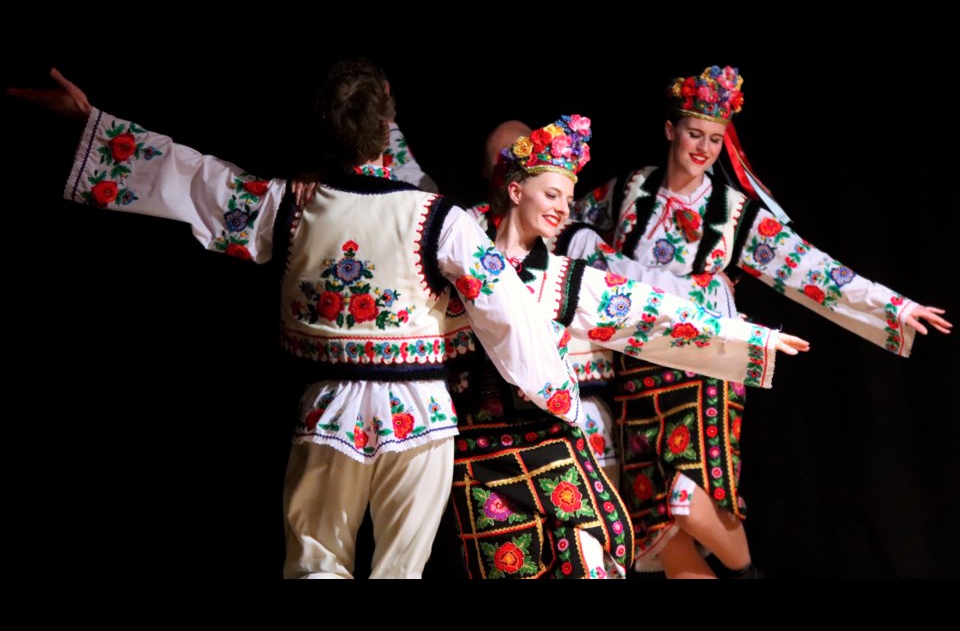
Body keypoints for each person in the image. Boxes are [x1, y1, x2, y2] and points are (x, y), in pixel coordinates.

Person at [7, 62, 591, 579]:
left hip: (329, 412)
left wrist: (86, 123)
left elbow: (192, 180)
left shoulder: (287, 204)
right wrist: (560, 396)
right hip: (419, 417)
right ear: (385, 127)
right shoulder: (439, 219)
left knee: (316, 566)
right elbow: (507, 314)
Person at [562, 65, 952, 578]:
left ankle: (750, 573)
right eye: (694, 134)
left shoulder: (732, 211)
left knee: (685, 501)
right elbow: (561, 221)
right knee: (661, 533)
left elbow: (806, 266)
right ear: (669, 131)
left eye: (715, 140)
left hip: (703, 364)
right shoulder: (633, 187)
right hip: (637, 371)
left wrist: (893, 306)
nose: (703, 148)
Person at [446, 115, 810, 578]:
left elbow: (650, 309)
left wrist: (752, 335)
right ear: (515, 190)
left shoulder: (563, 277)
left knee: (594, 564)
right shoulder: (458, 255)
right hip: (481, 457)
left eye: (568, 197)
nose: (562, 208)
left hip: (552, 449)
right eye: (552, 195)